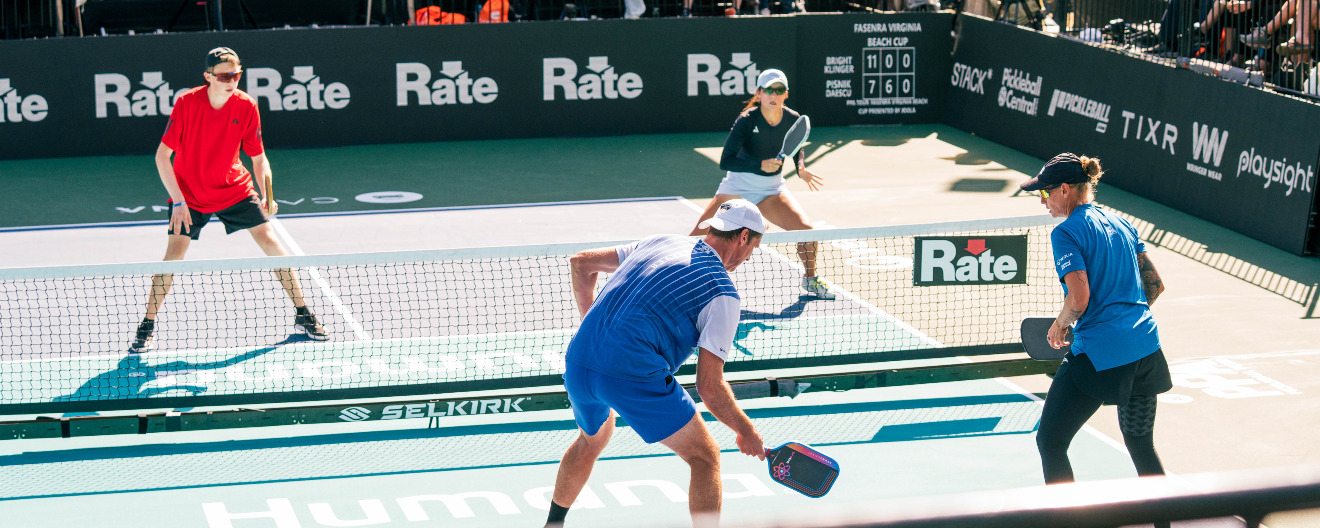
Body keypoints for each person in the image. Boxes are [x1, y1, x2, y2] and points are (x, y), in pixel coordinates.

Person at [546, 199, 769, 528]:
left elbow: (581, 264)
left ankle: (553, 525)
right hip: (631, 375)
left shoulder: (660, 241)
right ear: (743, 237)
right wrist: (745, 431)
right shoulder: (723, 294)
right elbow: (709, 386)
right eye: (754, 247)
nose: (750, 256)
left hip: (580, 360)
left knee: (591, 439)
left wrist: (594, 328)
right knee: (704, 457)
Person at [129, 47, 328, 353]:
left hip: (234, 189)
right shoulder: (186, 103)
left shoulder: (246, 105)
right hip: (190, 196)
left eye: (236, 74)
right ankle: (147, 324)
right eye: (224, 75)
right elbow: (162, 157)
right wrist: (179, 202)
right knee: (173, 255)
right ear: (208, 77)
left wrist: (268, 195)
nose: (231, 80)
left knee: (272, 243)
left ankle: (303, 313)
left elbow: (259, 159)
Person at [1021, 153, 1172, 489]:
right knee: (1141, 444)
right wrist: (1123, 319)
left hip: (1099, 354)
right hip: (1146, 349)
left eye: (1044, 193)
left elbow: (1079, 299)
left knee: (1051, 442)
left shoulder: (1066, 233)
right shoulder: (1122, 222)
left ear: (1064, 189)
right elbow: (1155, 285)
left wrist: (1060, 324)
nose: (1042, 200)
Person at [689, 69, 835, 300]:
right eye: (768, 90)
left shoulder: (792, 119)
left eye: (778, 90)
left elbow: (796, 146)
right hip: (736, 189)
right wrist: (759, 165)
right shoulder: (746, 120)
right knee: (694, 240)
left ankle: (810, 279)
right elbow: (726, 160)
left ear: (785, 94)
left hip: (771, 190)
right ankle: (684, 283)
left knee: (807, 232)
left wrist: (801, 168)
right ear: (759, 93)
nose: (773, 95)